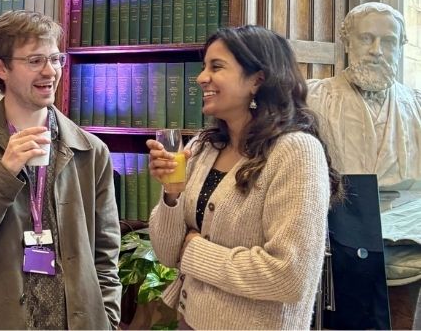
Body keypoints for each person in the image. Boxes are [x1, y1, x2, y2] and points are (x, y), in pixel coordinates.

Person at [0, 10, 121, 329]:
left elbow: (106, 255)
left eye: (55, 58)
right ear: (0, 68)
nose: (50, 71)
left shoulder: (91, 150)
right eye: (35, 61)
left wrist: (108, 319)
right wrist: (4, 174)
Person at [147, 25, 343, 329]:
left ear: (257, 79)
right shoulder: (203, 146)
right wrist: (172, 193)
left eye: (217, 66)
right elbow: (168, 253)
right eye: (203, 67)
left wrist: (196, 250)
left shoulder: (296, 151)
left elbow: (290, 276)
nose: (201, 78)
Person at [307, 2, 421, 192]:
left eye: (388, 41)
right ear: (347, 43)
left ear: (400, 48)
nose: (376, 50)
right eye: (366, 38)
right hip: (340, 214)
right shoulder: (313, 98)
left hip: (405, 217)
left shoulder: (416, 107)